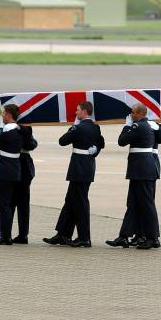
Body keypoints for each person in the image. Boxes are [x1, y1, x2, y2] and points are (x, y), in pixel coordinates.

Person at [43, 101, 105, 248]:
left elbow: (62, 141)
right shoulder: (96, 127)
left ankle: (84, 237)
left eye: (77, 111)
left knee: (80, 203)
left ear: (84, 112)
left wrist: (73, 127)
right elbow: (100, 144)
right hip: (88, 167)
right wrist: (94, 151)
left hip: (78, 169)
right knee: (70, 200)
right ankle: (63, 234)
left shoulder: (79, 127)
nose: (75, 113)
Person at [106, 103, 160, 250]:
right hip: (140, 170)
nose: (130, 115)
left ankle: (153, 237)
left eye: (132, 113)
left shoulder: (139, 126)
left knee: (147, 204)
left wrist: (127, 126)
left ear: (139, 114)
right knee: (133, 204)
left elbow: (121, 141)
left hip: (143, 170)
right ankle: (124, 236)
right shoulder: (146, 125)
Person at [0, 104, 23, 245]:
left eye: (3, 113)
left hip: (4, 172)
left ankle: (5, 235)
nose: (2, 115)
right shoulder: (21, 131)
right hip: (14, 170)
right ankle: (5, 233)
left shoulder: (8, 132)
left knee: (2, 203)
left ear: (8, 115)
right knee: (5, 203)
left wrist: (2, 128)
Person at [128, 120, 161, 247]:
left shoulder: (155, 125)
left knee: (146, 202)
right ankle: (139, 234)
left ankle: (149, 235)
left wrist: (157, 127)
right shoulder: (142, 125)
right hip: (142, 164)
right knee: (136, 202)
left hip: (149, 163)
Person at [11, 125, 38, 244]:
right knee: (18, 204)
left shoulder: (25, 130)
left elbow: (32, 144)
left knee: (17, 203)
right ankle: (14, 233)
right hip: (21, 167)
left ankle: (20, 234)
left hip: (19, 168)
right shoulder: (10, 128)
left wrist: (25, 132)